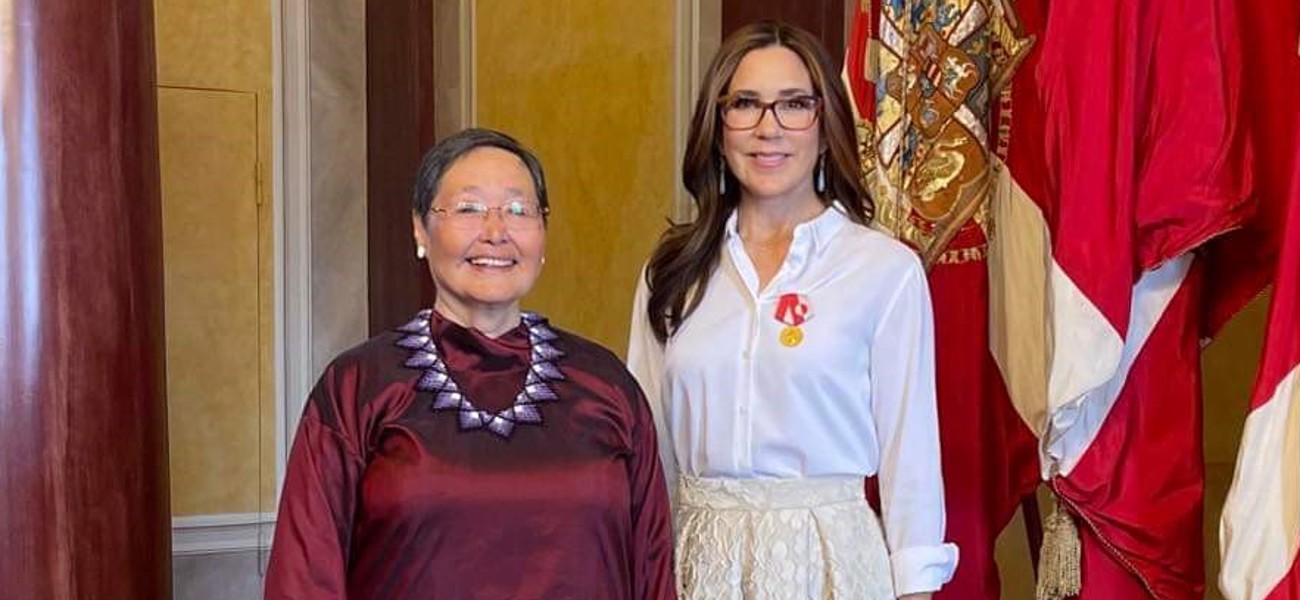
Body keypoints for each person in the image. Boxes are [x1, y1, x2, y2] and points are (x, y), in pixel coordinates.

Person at [266, 127, 676, 600]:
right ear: (420, 228)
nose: (496, 232)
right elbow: (304, 576)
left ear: (543, 234)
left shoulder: (606, 385)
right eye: (468, 208)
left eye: (518, 210)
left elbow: (652, 569)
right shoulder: (358, 387)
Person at [628, 21, 957, 600]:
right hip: (699, 563)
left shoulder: (884, 271)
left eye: (794, 104)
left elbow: (911, 459)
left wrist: (915, 589)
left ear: (826, 128)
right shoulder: (672, 273)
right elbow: (648, 450)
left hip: (834, 563)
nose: (768, 128)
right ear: (718, 128)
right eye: (745, 104)